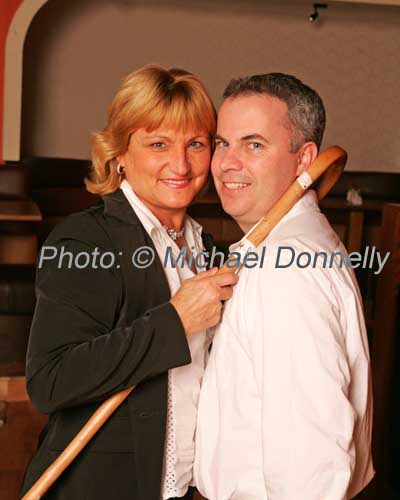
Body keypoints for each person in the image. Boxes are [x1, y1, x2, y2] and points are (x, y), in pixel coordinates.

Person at [19, 64, 238, 500]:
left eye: (195, 144)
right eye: (158, 144)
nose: (180, 163)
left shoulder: (208, 250)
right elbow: (50, 380)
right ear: (119, 153)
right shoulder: (85, 240)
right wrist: (175, 321)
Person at [194, 73, 374, 499]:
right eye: (223, 143)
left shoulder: (284, 268)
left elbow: (312, 457)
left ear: (303, 160)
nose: (227, 163)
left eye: (254, 144)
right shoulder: (293, 243)